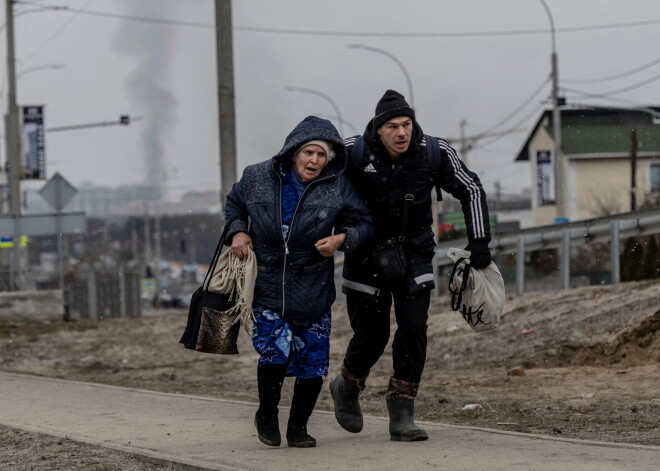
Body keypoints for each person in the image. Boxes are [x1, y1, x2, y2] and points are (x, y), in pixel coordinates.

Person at [329, 90, 492, 442]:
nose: (402, 133)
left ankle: (402, 411)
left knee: (414, 328)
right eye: (393, 126)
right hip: (365, 252)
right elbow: (316, 186)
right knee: (372, 336)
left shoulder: (434, 152)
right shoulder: (352, 152)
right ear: (378, 129)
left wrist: (479, 241)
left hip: (415, 251)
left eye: (406, 124)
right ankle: (347, 385)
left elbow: (471, 189)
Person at [224, 115, 373, 448]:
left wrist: (340, 240)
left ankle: (298, 427)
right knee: (275, 353)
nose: (315, 161)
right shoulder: (257, 176)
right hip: (267, 287)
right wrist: (238, 230)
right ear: (294, 152)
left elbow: (365, 224)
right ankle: (266, 413)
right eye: (309, 153)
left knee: (312, 363)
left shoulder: (338, 187)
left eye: (322, 155)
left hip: (314, 289)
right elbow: (234, 204)